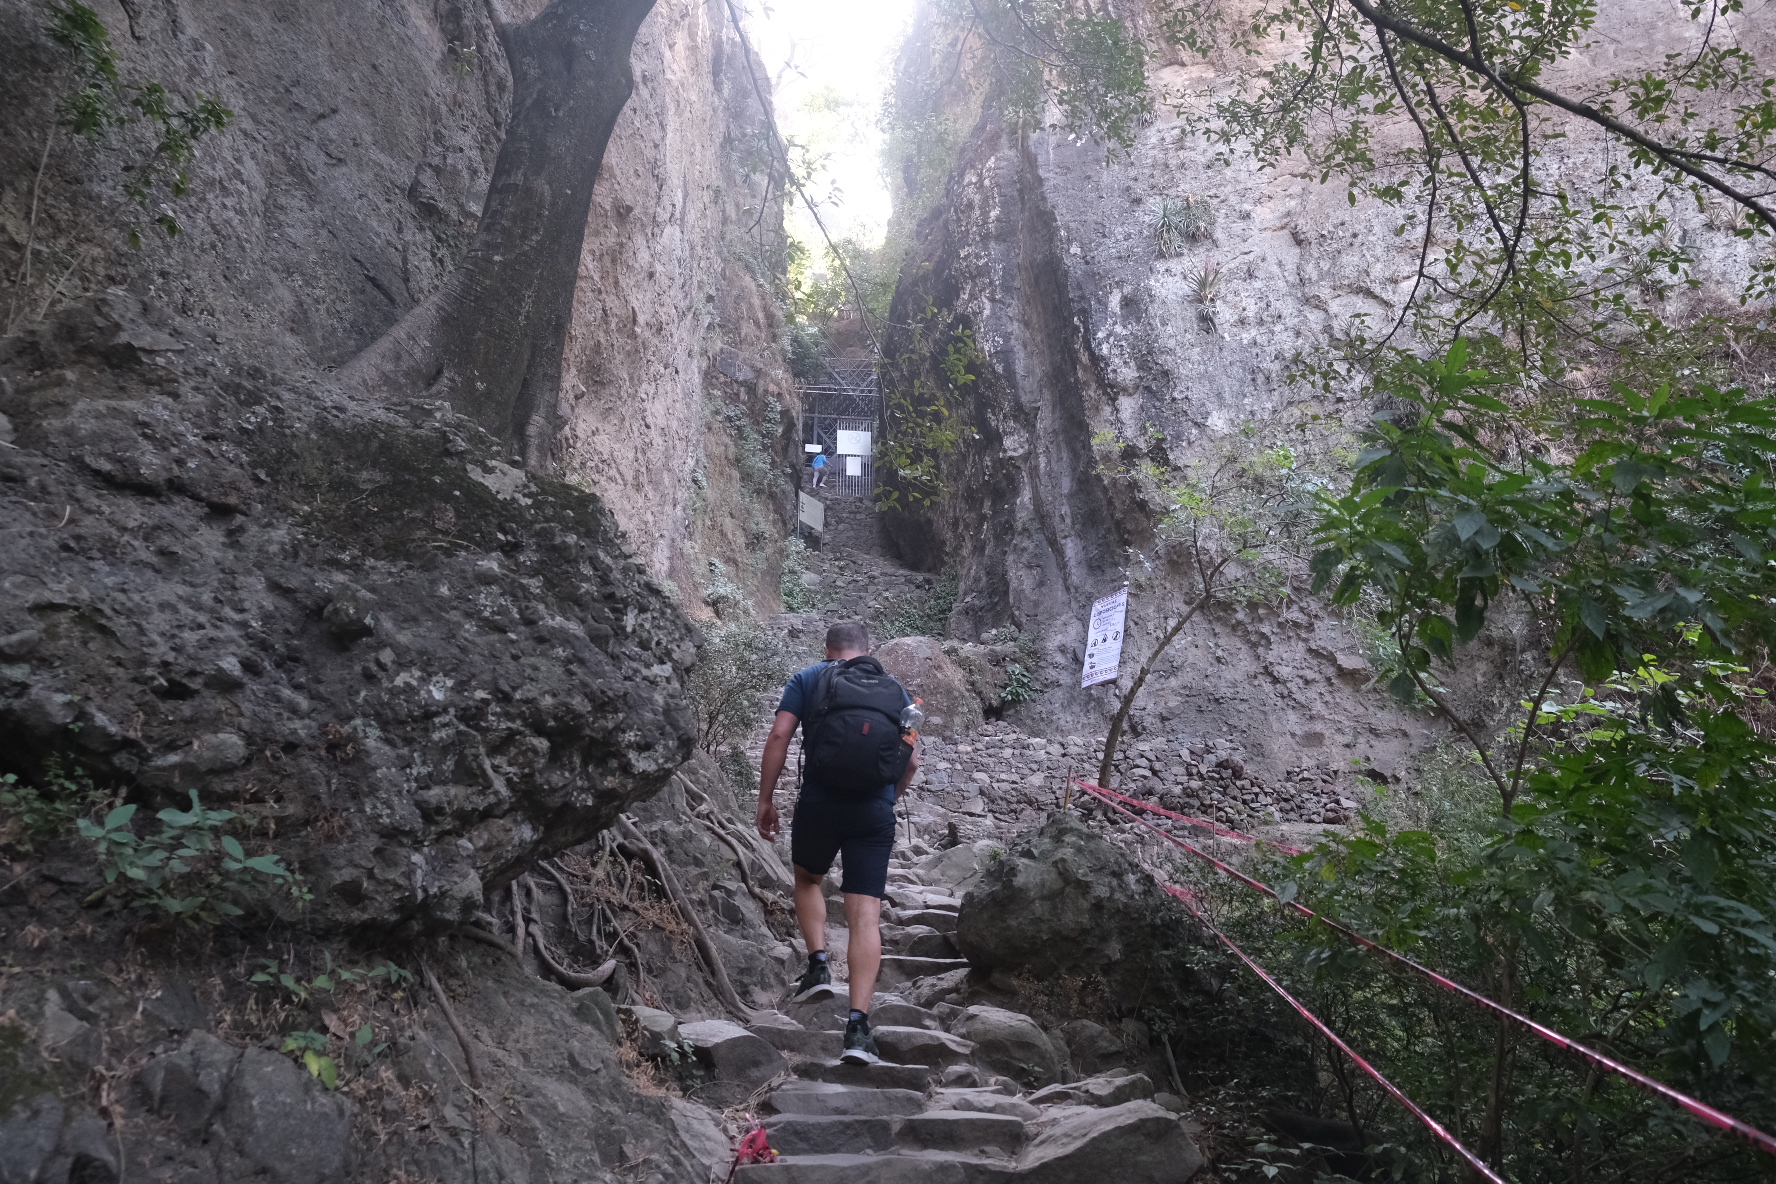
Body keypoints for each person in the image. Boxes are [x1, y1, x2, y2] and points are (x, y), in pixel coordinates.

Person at [756, 620, 919, 1065]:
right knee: (865, 915)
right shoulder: (896, 691)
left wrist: (766, 800)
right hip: (873, 811)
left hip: (820, 803)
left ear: (827, 649)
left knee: (808, 879)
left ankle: (818, 965)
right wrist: (887, 801)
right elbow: (911, 762)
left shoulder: (809, 678)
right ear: (868, 649)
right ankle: (858, 1029)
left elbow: (779, 736)